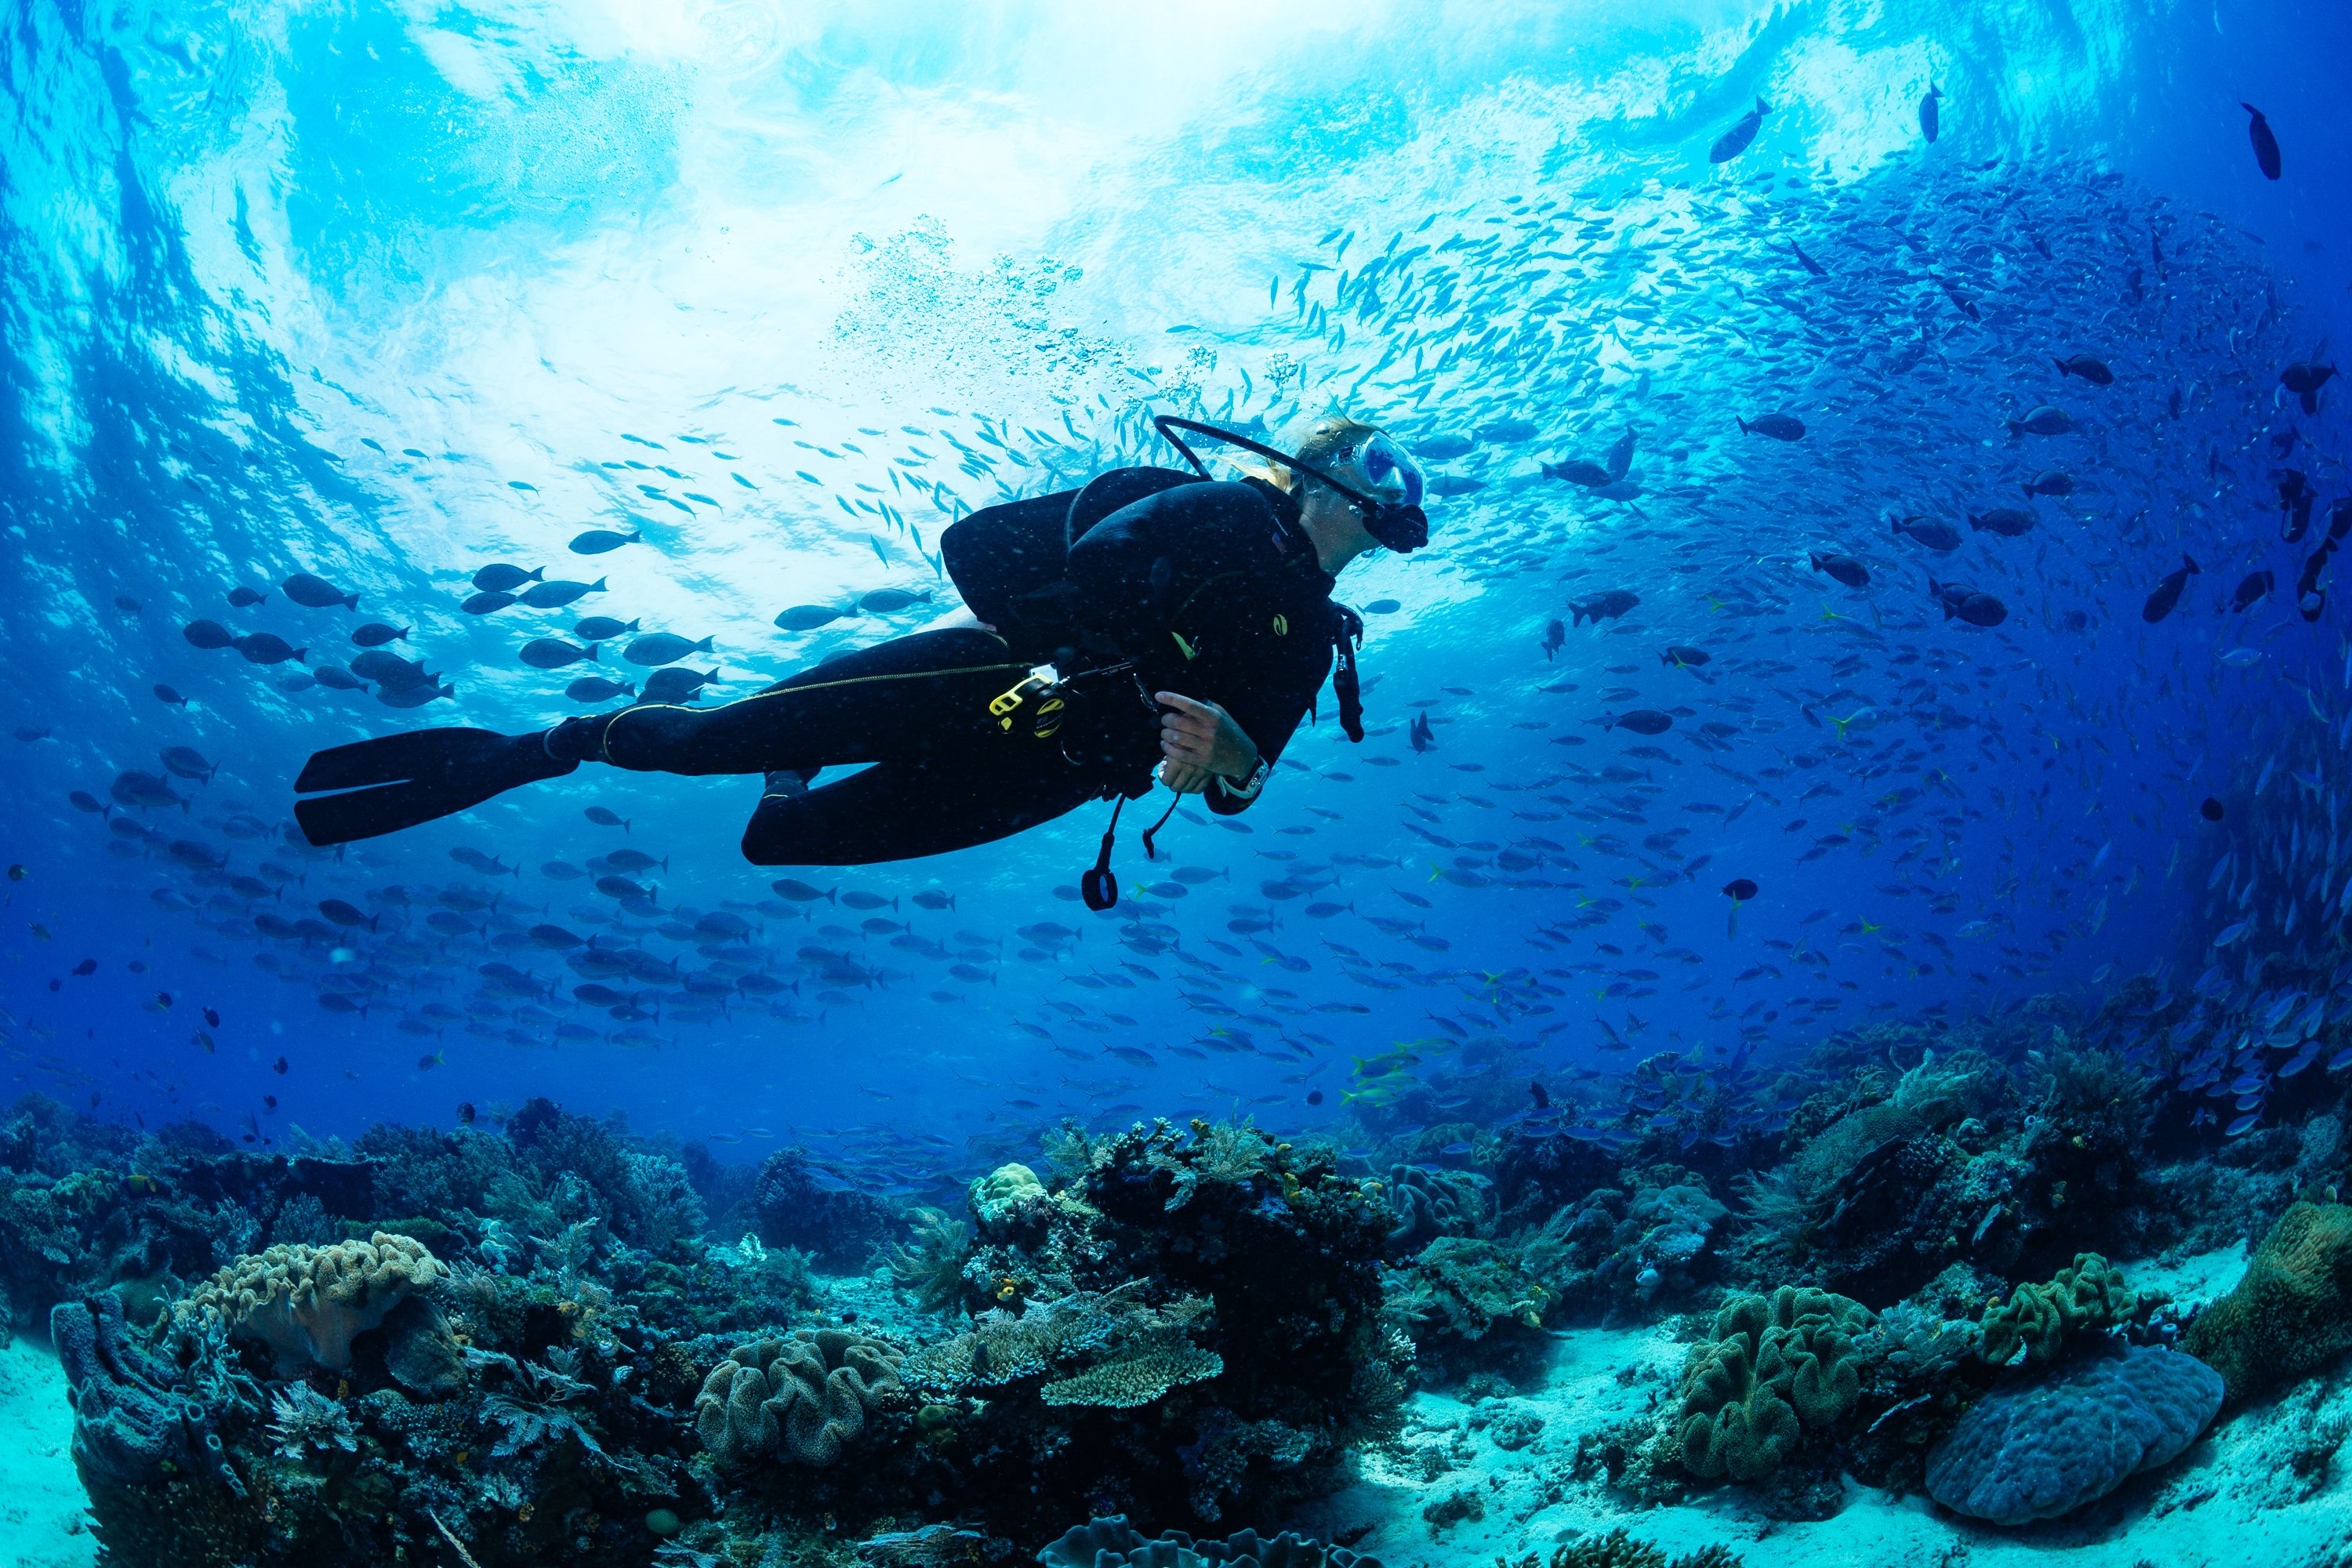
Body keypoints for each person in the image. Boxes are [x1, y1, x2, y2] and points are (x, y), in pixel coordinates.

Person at [292, 414, 1430, 891]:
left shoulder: (1317, 641)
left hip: (1061, 772)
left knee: (781, 841)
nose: (1396, 488)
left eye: (1406, 480)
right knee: (700, 746)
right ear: (1322, 471)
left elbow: (1241, 787)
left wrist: (1229, 761)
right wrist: (1125, 667)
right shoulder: (1226, 517)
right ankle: (549, 743)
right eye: (1380, 462)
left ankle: (789, 781)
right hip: (987, 677)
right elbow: (1023, 557)